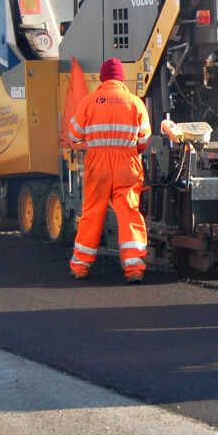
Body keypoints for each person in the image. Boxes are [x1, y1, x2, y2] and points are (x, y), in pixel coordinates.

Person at [66, 58, 152, 282]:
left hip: (98, 163)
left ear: (103, 78)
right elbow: (144, 139)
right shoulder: (135, 103)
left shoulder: (89, 101)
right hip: (127, 163)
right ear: (122, 79)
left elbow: (73, 135)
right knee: (129, 213)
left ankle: (80, 267)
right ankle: (134, 268)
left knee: (92, 214)